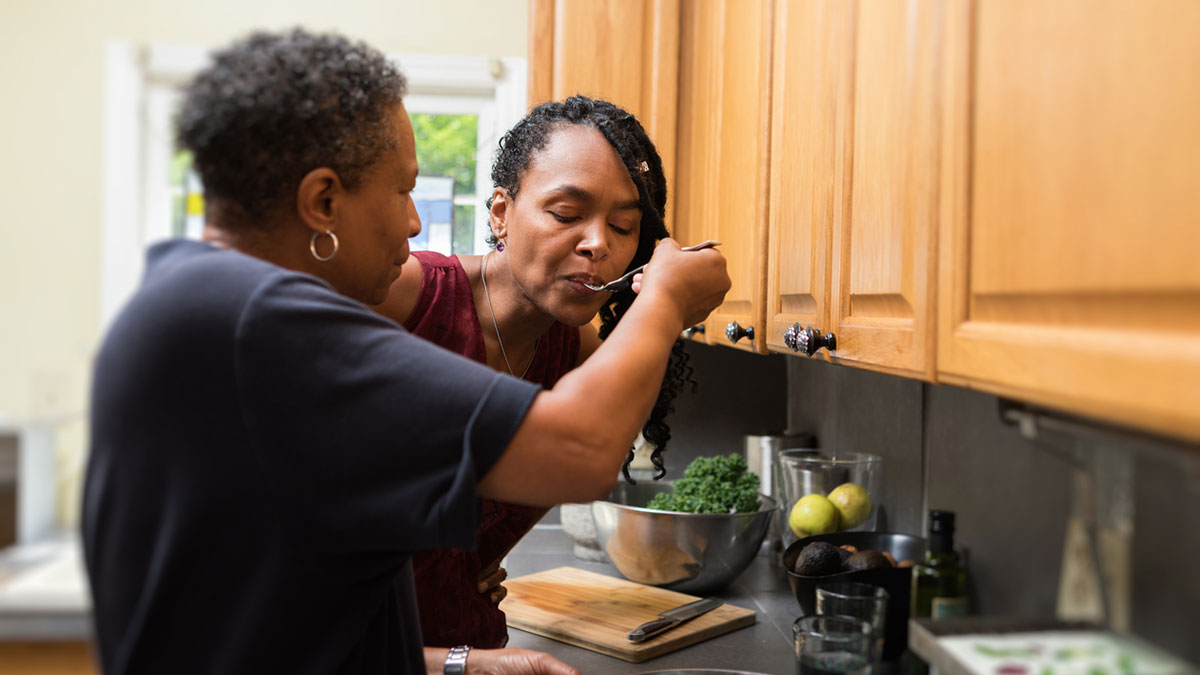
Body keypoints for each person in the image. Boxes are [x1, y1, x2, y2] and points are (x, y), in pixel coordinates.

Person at [81, 28, 729, 675]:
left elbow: (282, 624)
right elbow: (580, 449)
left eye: (623, 225)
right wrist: (665, 300)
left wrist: (460, 663)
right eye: (401, 190)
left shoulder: (204, 306)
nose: (415, 223)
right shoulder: (257, 327)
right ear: (324, 201)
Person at [373, 96, 690, 649]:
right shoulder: (402, 297)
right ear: (500, 213)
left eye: (623, 226)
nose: (598, 244)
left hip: (471, 648)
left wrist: (458, 572)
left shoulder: (581, 359)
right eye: (567, 215)